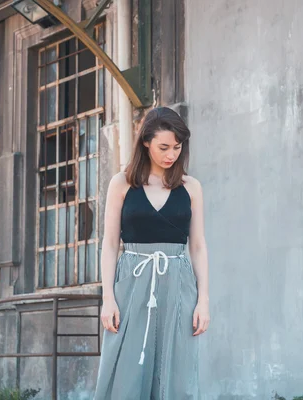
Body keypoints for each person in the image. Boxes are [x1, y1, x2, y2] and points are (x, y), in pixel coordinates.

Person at [94, 107, 209, 399]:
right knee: (126, 370)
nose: (171, 154)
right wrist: (108, 297)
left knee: (177, 370)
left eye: (177, 147)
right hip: (132, 282)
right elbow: (109, 243)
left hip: (178, 283)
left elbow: (197, 245)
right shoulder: (122, 183)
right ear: (146, 142)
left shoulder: (191, 187)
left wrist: (203, 300)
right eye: (164, 147)